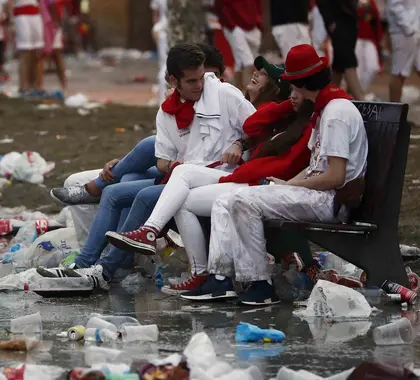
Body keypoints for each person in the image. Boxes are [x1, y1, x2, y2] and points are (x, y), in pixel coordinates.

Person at [41, 43, 255, 288]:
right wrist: (174, 165)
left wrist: (239, 143)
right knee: (112, 192)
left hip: (221, 177)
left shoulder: (224, 94)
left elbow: (257, 126)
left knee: (143, 195)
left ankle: (105, 271)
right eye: (191, 81)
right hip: (181, 179)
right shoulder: (167, 112)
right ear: (174, 81)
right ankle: (83, 264)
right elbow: (162, 160)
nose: (199, 85)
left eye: (201, 78)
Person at [108, 58, 314, 292]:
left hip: (256, 183)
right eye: (293, 90)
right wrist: (284, 107)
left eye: (265, 74)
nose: (255, 75)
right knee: (178, 186)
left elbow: (287, 163)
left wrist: (295, 104)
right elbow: (253, 126)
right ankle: (193, 267)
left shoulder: (302, 125)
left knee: (171, 180)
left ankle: (152, 241)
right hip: (241, 178)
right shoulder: (275, 115)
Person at [185, 44, 367, 305]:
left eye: (292, 84)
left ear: (302, 83)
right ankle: (222, 278)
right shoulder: (325, 109)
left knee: (242, 200)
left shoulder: (336, 113)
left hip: (330, 200)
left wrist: (295, 185)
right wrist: (287, 185)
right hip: (316, 193)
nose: (290, 90)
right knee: (227, 199)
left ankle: (259, 284)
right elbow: (316, 164)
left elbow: (336, 177)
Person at [50, 43, 227, 207]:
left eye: (210, 77)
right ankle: (114, 232)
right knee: (129, 176)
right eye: (194, 80)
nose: (205, 85)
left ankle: (96, 188)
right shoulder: (177, 104)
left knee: (143, 156)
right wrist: (126, 163)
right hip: (177, 168)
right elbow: (168, 153)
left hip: (203, 175)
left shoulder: (228, 100)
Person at [317, 0, 366, 99]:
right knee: (348, 60)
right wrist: (329, 21)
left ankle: (326, 99)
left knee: (339, 65)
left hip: (349, 21)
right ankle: (362, 100)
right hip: (338, 20)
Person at [216, 0, 263, 87]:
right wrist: (231, 25)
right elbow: (219, 5)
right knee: (248, 62)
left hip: (252, 25)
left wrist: (258, 22)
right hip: (234, 25)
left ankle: (239, 92)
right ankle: (248, 96)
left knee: (240, 63)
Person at [386, 0, 419, 102]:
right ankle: (394, 113)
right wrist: (408, 28)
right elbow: (395, 5)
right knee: (400, 72)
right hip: (403, 33)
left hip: (414, 31)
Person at [13, 0, 45, 94]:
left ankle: (37, 86)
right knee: (25, 51)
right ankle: (23, 86)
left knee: (38, 52)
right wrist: (11, 21)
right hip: (22, 15)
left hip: (35, 14)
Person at [355, 0, 383, 91]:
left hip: (369, 39)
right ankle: (357, 96)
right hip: (355, 39)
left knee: (373, 67)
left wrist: (379, 38)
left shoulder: (371, 2)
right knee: (357, 71)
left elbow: (376, 21)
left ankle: (360, 92)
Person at [151, 0, 169, 103]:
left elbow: (155, 15)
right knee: (165, 65)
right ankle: (163, 100)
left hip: (162, 29)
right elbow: (156, 14)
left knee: (164, 64)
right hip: (163, 30)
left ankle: (163, 99)